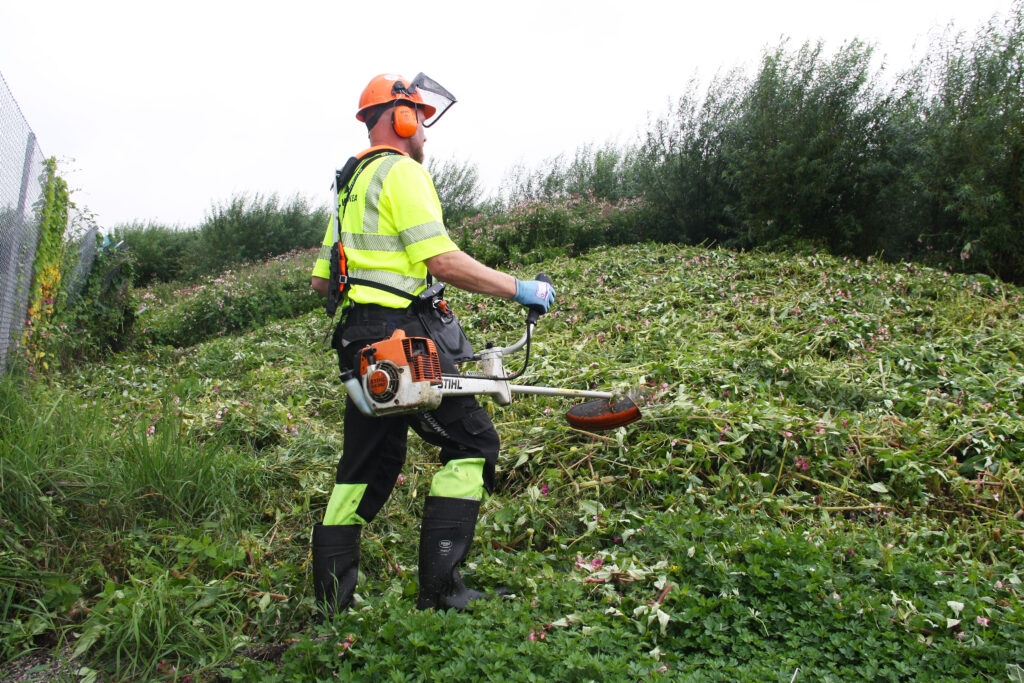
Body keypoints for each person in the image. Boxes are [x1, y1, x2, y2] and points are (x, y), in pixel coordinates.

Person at [309, 72, 555, 615]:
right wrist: (520, 288)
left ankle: (332, 605)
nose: (425, 131)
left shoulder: (348, 185)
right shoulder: (402, 172)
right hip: (403, 338)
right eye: (420, 118)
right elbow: (440, 260)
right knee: (472, 445)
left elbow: (323, 283)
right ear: (400, 117)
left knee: (365, 463)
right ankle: (442, 593)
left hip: (359, 342)